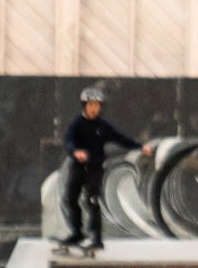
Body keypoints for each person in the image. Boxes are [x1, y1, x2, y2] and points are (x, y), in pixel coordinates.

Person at [61, 86, 152, 251]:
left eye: (98, 106)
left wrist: (140, 147)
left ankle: (96, 238)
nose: (95, 109)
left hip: (95, 167)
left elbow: (120, 138)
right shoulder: (77, 124)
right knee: (70, 198)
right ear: (85, 106)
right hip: (78, 167)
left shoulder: (102, 126)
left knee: (92, 199)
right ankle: (77, 233)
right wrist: (75, 151)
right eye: (91, 105)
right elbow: (68, 141)